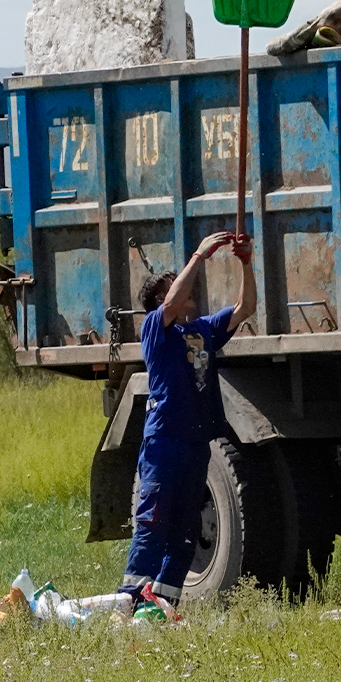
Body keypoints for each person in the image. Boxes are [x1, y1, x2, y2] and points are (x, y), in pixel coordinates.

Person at [118, 230, 256, 604]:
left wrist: (245, 262)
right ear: (163, 300)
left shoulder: (202, 331)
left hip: (196, 446)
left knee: (185, 531)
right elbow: (175, 297)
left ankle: (162, 607)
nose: (187, 287)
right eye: (174, 285)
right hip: (164, 443)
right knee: (152, 524)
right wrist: (198, 256)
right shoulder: (153, 329)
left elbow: (246, 309)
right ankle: (128, 604)